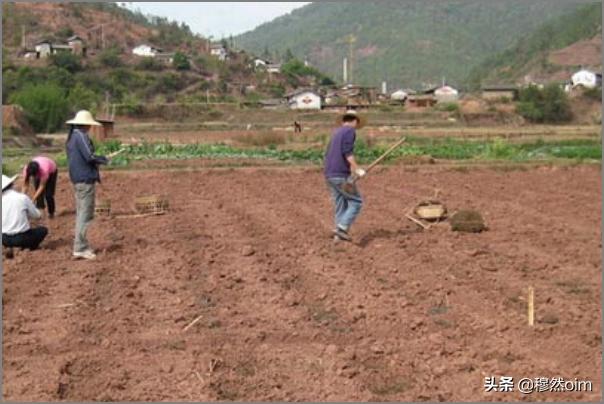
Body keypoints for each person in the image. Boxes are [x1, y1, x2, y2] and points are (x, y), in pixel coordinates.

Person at [65, 110, 107, 260]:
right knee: (85, 215)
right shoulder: (81, 136)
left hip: (77, 180)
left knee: (81, 213)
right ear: (86, 125)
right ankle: (80, 247)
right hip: (85, 180)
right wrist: (102, 159)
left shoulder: (71, 137)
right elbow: (89, 156)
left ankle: (79, 245)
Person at [324, 110, 367, 242]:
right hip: (340, 175)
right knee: (356, 202)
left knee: (340, 204)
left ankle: (338, 238)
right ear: (355, 121)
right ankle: (342, 228)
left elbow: (328, 153)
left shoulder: (336, 133)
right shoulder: (350, 131)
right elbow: (347, 152)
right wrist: (357, 168)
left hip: (329, 174)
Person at [2, 174, 48, 257]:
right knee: (43, 230)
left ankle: (9, 247)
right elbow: (37, 215)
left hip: (4, 238)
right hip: (21, 238)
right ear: (12, 184)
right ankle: (29, 248)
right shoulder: (22, 197)